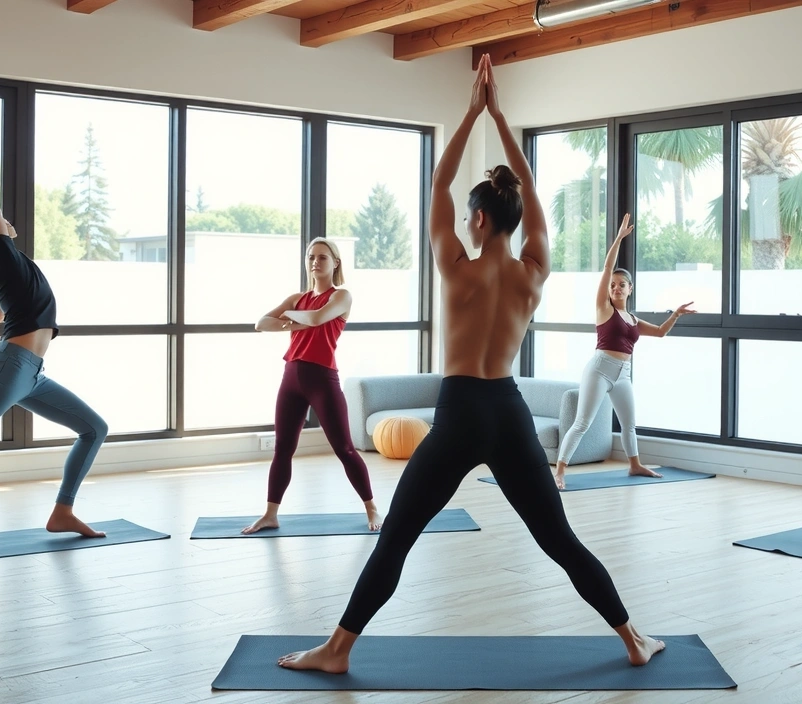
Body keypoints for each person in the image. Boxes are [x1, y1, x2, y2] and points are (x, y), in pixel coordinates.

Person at [273, 54, 665, 674]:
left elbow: (438, 183)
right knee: (559, 539)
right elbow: (531, 190)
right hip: (507, 413)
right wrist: (502, 118)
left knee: (397, 538)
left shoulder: (454, 268)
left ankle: (338, 651)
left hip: (458, 414)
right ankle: (633, 639)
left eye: (467, 213)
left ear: (478, 218)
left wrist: (473, 110)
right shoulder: (533, 273)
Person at [0, 176, 109, 537]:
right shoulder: (2, 256)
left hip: (30, 374)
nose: (4, 219)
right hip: (10, 369)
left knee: (93, 429)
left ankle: (63, 513)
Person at [242, 237, 382, 534]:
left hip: (322, 379)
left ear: (335, 262)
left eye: (322, 257)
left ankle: (372, 508)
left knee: (344, 448)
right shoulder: (297, 298)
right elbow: (261, 322)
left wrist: (290, 319)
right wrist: (297, 320)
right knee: (282, 448)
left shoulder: (341, 296)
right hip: (291, 376)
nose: (315, 262)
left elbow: (318, 317)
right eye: (311, 257)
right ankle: (270, 514)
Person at [554, 214, 695, 489]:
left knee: (629, 423)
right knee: (582, 422)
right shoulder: (604, 309)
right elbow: (608, 267)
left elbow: (661, 332)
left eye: (622, 284)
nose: (616, 287)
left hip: (623, 374)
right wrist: (618, 238)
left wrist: (676, 313)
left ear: (630, 289)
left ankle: (634, 465)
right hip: (600, 369)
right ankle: (559, 471)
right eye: (612, 285)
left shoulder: (631, 319)